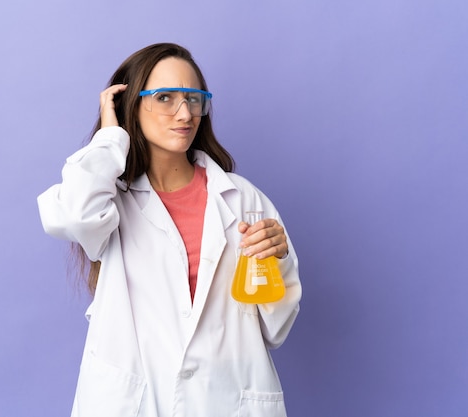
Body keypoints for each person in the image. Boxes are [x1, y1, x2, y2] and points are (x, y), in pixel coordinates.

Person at [37, 42, 302, 417]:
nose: (185, 113)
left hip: (227, 400)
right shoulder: (109, 200)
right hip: (137, 404)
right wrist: (112, 139)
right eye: (164, 97)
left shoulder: (243, 200)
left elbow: (275, 329)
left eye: (194, 99)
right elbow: (74, 215)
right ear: (130, 106)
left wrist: (279, 259)